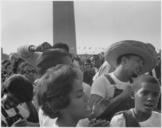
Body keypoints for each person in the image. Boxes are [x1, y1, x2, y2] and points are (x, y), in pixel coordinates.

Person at [90, 40, 157, 120]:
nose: (141, 65)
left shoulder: (138, 84)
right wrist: (122, 97)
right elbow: (92, 115)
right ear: (124, 60)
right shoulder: (102, 82)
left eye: (142, 63)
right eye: (138, 61)